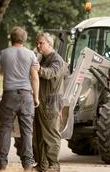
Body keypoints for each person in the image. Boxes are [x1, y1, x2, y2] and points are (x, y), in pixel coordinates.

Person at [0, 26, 39, 171]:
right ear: (24, 39)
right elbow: (34, 78)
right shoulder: (31, 54)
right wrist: (36, 97)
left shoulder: (3, 53)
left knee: (5, 129)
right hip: (26, 96)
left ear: (11, 38)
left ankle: (1, 165)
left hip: (9, 96)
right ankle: (27, 165)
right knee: (27, 131)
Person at [33, 32, 67, 172]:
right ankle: (42, 165)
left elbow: (50, 73)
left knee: (51, 135)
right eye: (37, 43)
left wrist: (38, 69)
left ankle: (54, 165)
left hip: (51, 102)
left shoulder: (57, 60)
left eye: (41, 43)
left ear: (49, 43)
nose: (38, 45)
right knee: (40, 135)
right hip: (42, 101)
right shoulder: (43, 58)